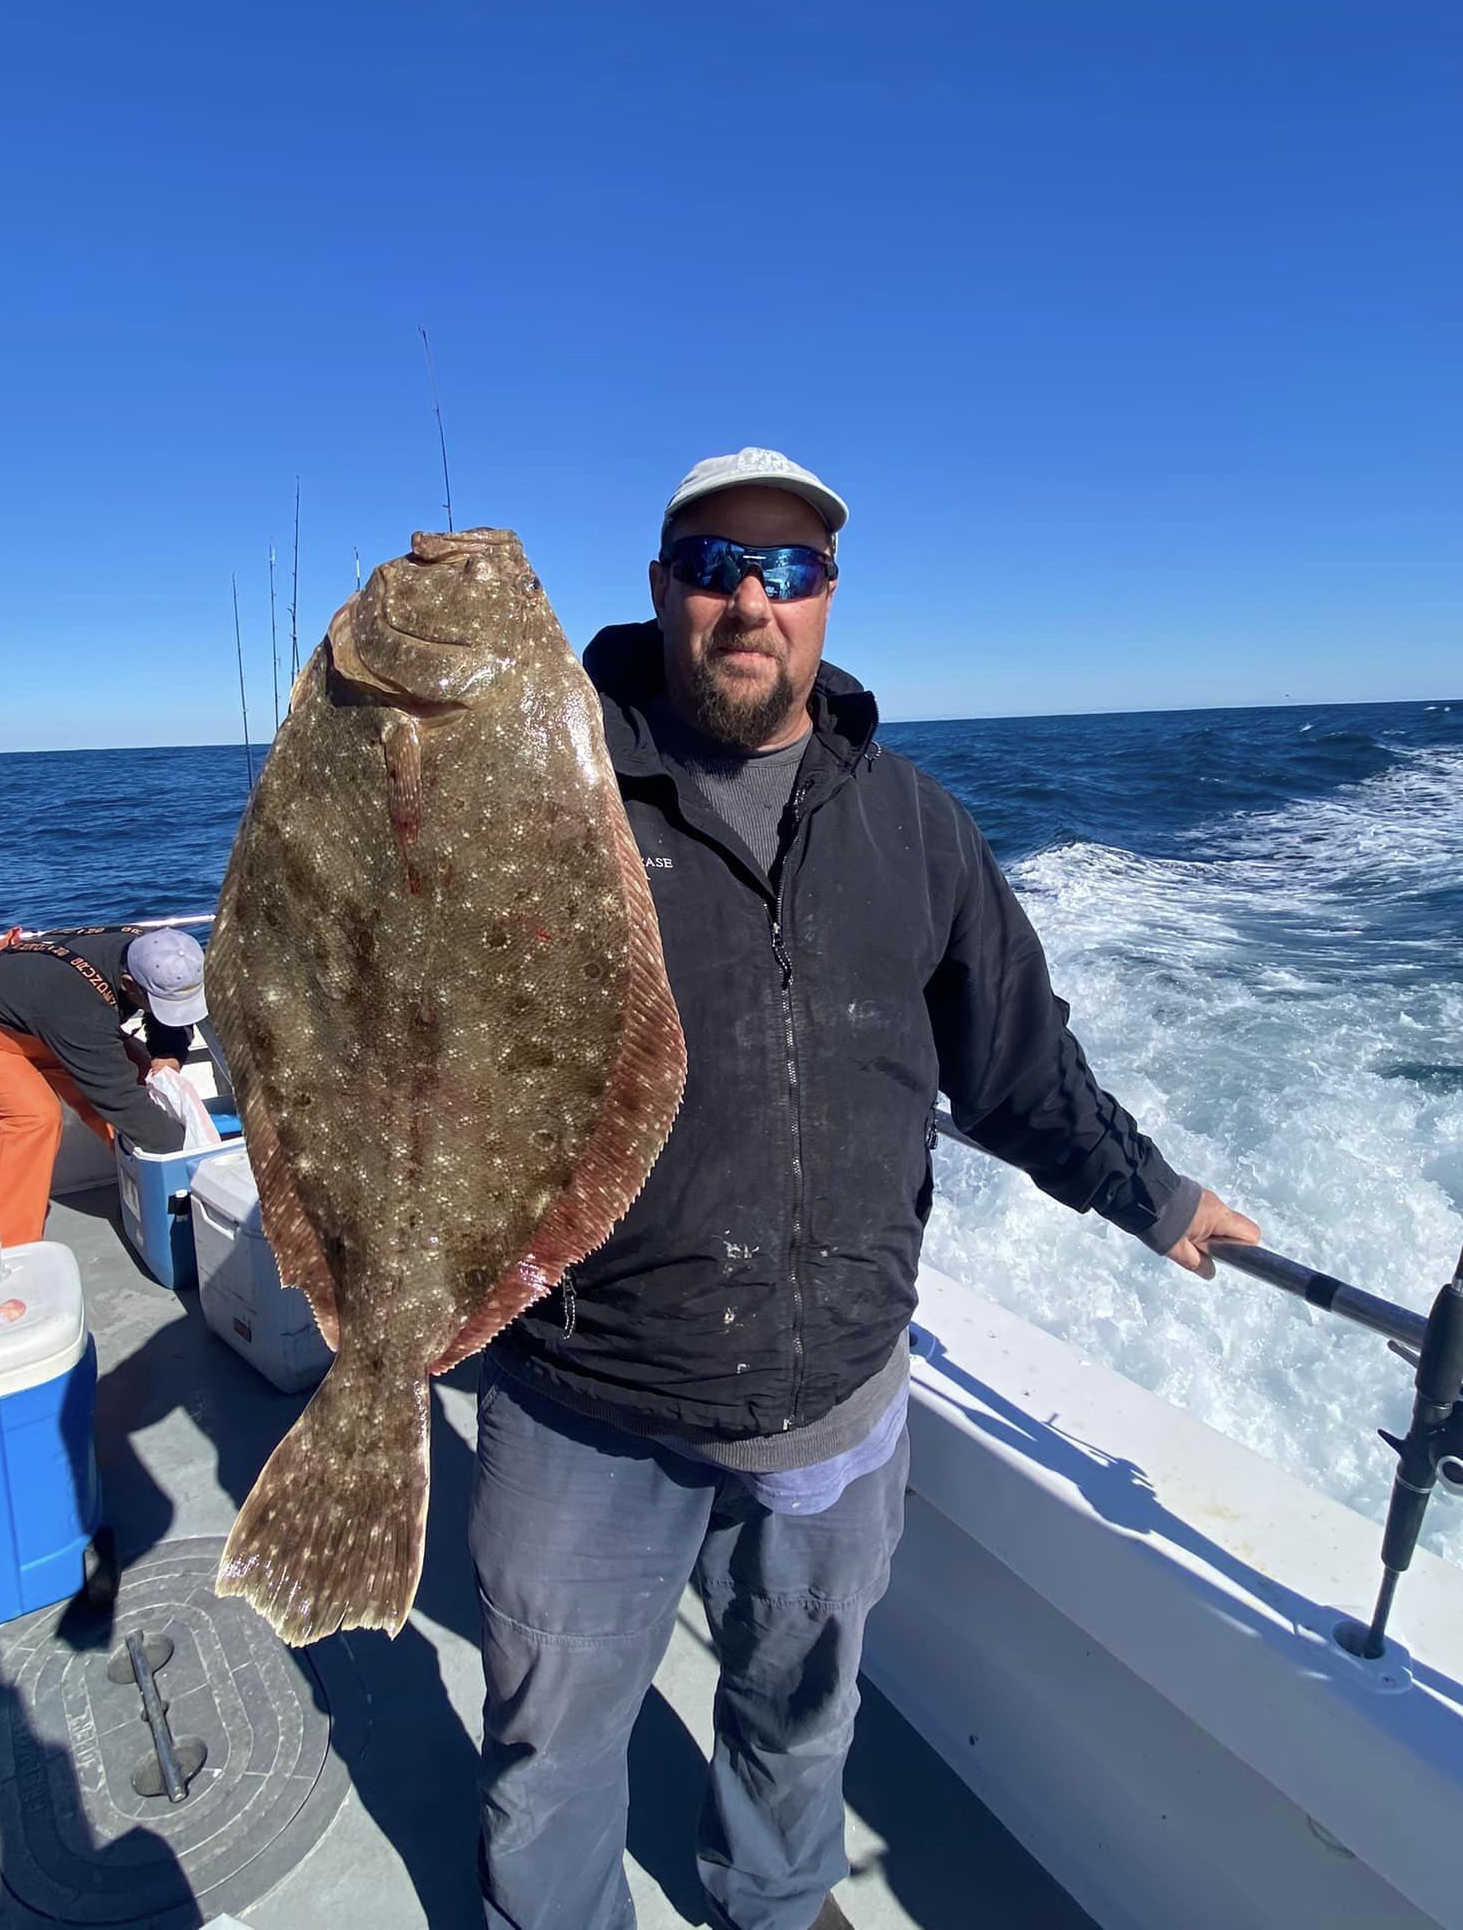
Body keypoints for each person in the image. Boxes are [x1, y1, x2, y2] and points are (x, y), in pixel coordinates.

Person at [469, 447, 1260, 1930]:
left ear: (829, 600)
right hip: (585, 1398)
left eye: (788, 570)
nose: (748, 600)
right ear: (661, 591)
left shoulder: (917, 827)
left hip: (833, 1400)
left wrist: (1152, 1196)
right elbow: (418, 1030)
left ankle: (771, 1908)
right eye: (715, 566)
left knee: (798, 1722)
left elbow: (1020, 1068)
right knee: (549, 1756)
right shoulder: (541, 802)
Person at [0, 923, 209, 1247]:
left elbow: (167, 1015)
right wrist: (194, 1161)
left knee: (147, 1080)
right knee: (32, 1118)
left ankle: (144, 1197)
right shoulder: (76, 1003)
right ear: (129, 983)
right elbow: (116, 1096)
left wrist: (167, 1056)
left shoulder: (159, 953)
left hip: (40, 1018)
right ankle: (10, 1247)